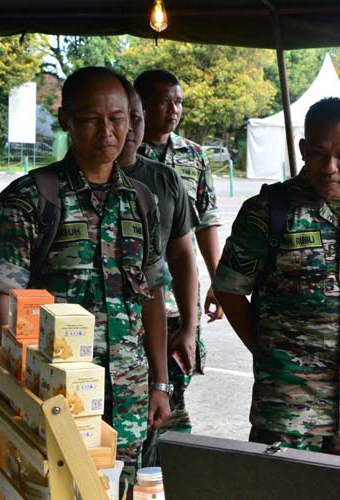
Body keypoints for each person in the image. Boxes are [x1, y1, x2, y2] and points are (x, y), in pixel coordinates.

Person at [0, 66, 171, 484]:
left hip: (129, 399)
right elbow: (0, 303)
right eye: (90, 119)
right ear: (66, 119)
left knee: (125, 490)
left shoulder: (142, 201)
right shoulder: (30, 200)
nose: (107, 131)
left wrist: (160, 382)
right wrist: (14, 397)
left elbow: (153, 294)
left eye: (117, 118)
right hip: (55, 403)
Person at [212, 97, 340, 459]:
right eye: (319, 153)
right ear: (303, 149)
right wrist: (266, 351)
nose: (330, 166)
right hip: (286, 409)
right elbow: (228, 289)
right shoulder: (268, 211)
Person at [134, 69, 222, 462]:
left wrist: (219, 281)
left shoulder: (193, 155)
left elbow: (205, 223)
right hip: (132, 303)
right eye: (164, 101)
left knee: (173, 395)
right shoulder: (124, 156)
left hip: (176, 304)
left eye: (178, 101)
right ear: (140, 105)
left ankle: (163, 476)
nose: (174, 110)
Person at [116, 83, 201, 464]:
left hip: (160, 327)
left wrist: (190, 327)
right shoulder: (53, 190)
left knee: (162, 441)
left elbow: (183, 259)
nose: (130, 128)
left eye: (136, 118)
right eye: (124, 118)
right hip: (93, 343)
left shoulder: (163, 181)